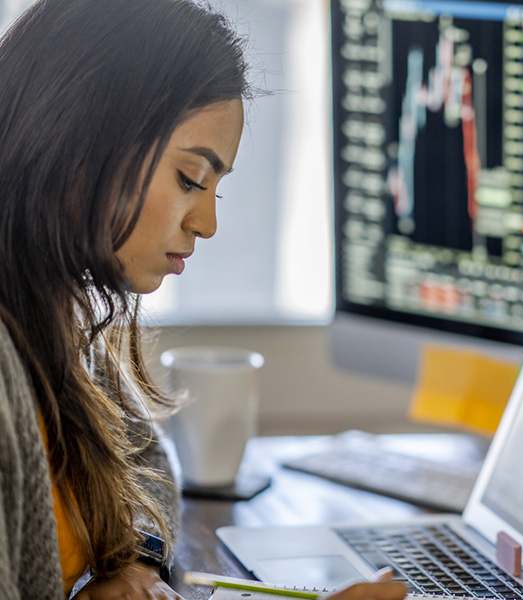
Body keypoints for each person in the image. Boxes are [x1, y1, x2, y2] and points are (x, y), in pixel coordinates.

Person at [0, 1, 409, 599]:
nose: (208, 223)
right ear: (80, 144)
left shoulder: (55, 311)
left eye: (216, 187)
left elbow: (147, 466)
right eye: (191, 178)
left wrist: (131, 565)